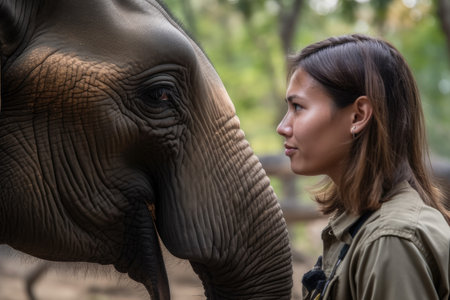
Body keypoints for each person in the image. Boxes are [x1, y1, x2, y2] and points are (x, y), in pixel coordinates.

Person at [277, 34, 450, 300]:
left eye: (298, 107)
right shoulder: (364, 224)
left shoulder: (391, 240)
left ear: (358, 116)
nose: (283, 127)